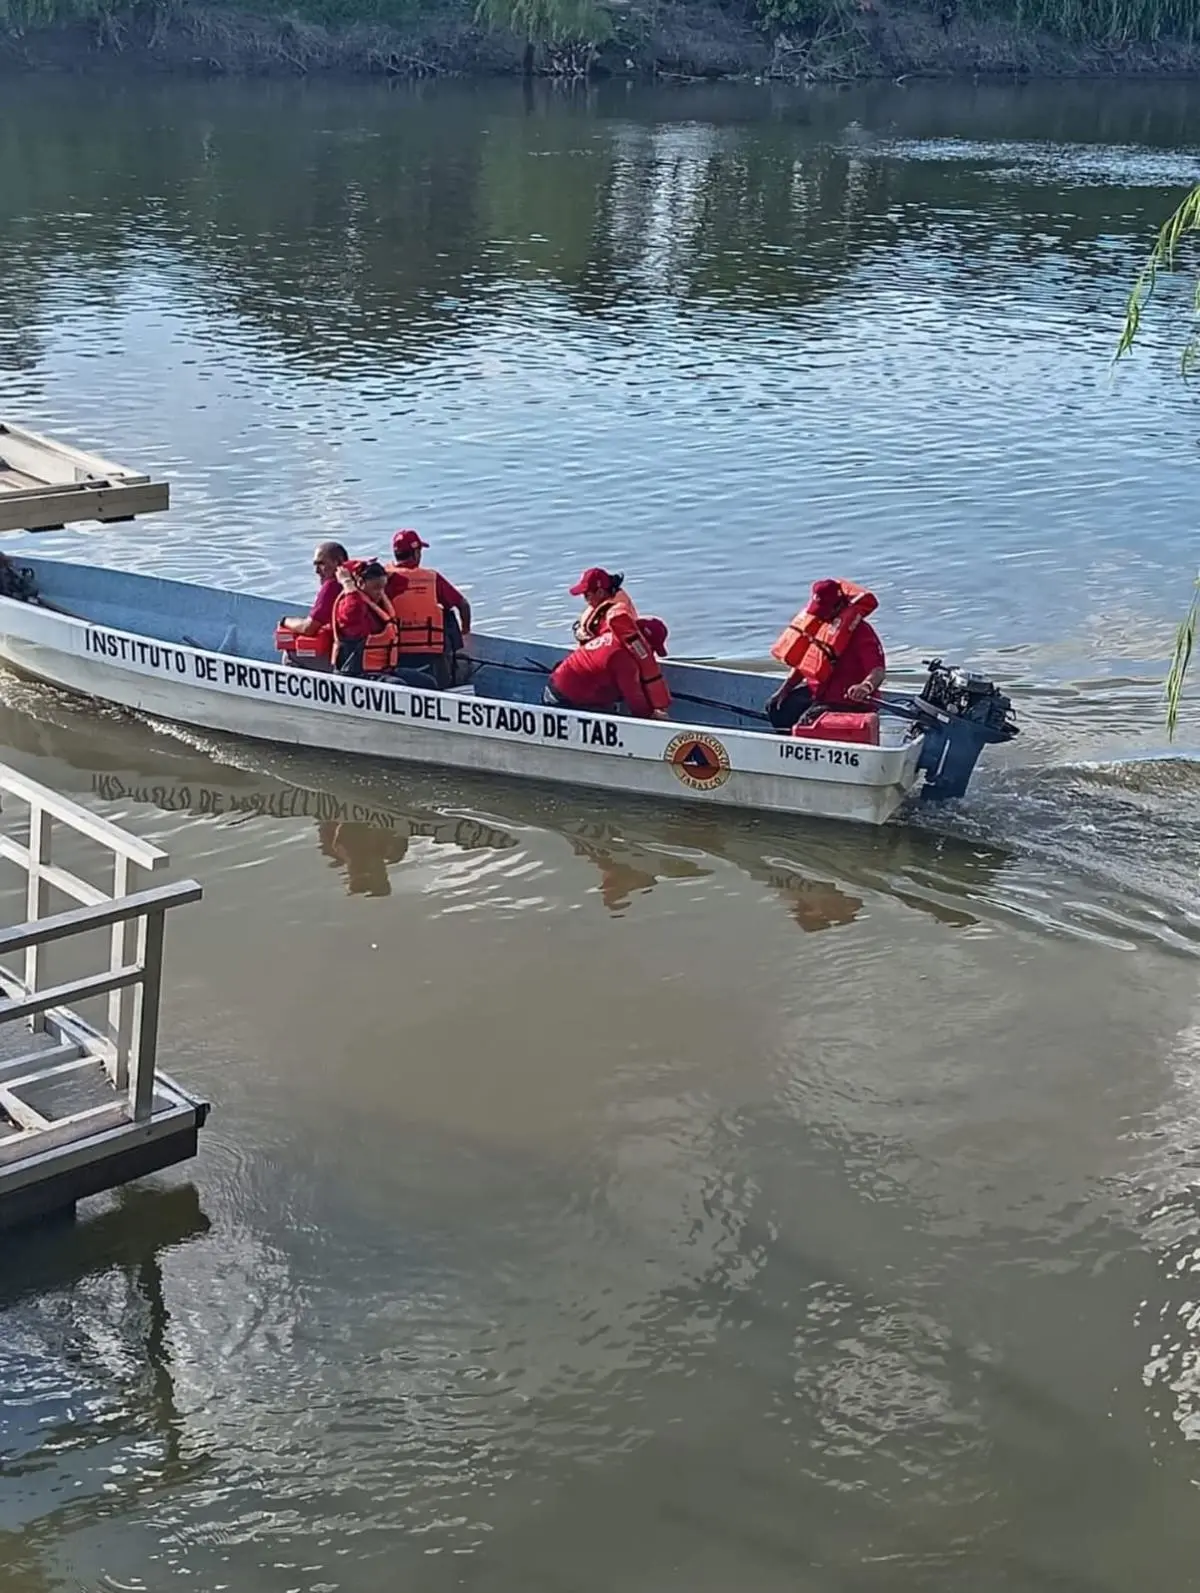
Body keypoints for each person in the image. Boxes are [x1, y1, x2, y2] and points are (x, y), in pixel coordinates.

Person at [765, 578, 886, 731]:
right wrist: (784, 690)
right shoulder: (817, 624)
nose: (820, 616)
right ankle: (783, 742)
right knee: (776, 708)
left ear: (839, 606)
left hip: (848, 701)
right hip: (820, 694)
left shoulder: (862, 633)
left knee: (807, 723)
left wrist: (865, 687)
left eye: (824, 611)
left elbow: (878, 671)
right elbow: (806, 663)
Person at [384, 529, 471, 689]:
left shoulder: (382, 578)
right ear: (416, 553)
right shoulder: (431, 578)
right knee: (448, 615)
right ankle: (449, 684)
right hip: (429, 655)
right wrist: (465, 631)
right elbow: (463, 605)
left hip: (394, 654)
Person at [546, 613, 671, 719]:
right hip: (563, 701)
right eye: (651, 650)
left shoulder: (612, 635)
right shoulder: (625, 660)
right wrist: (654, 716)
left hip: (555, 684)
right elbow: (636, 705)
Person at [330, 559, 399, 677]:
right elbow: (353, 611)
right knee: (398, 684)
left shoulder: (376, 605)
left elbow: (404, 582)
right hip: (357, 674)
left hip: (382, 671)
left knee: (425, 681)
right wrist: (347, 583)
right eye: (376, 588)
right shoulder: (349, 605)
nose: (380, 593)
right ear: (360, 583)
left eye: (383, 587)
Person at [279, 542, 348, 638]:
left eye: (321, 564)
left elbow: (308, 629)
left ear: (338, 563)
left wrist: (285, 621)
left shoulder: (332, 586)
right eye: (315, 565)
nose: (316, 571)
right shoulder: (357, 581)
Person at [570, 568, 636, 644]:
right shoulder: (601, 602)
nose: (585, 599)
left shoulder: (617, 614)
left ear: (600, 592)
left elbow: (610, 643)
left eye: (587, 595)